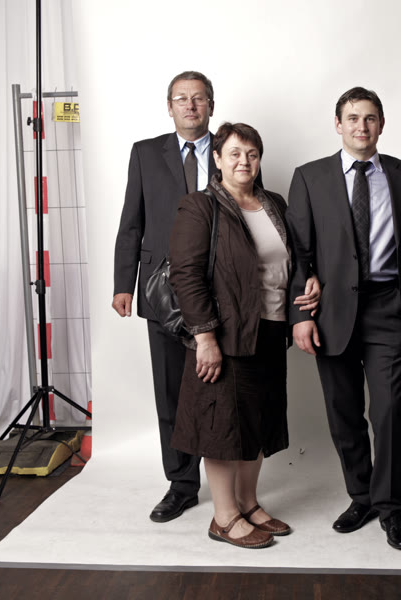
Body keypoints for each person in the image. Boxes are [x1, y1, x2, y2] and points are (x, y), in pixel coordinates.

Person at [168, 122, 317, 549]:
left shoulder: (274, 203)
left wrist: (310, 280)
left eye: (251, 154)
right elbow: (186, 276)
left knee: (258, 421)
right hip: (225, 334)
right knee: (222, 425)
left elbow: (293, 259)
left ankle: (249, 504)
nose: (243, 161)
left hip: (270, 328)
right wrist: (205, 339)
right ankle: (224, 516)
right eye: (234, 153)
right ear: (216, 158)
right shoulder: (200, 206)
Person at [287, 87, 401, 551]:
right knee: (343, 412)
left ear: (381, 124)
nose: (362, 126)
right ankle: (361, 496)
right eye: (353, 118)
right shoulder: (310, 177)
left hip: (388, 306)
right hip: (331, 311)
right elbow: (298, 252)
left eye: (370, 118)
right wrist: (299, 317)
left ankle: (391, 506)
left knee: (388, 411)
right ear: (338, 124)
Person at [112, 71, 217, 523]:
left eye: (198, 98)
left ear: (211, 105)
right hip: (160, 290)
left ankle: (230, 485)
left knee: (218, 390)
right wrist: (123, 283)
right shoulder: (145, 153)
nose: (190, 106)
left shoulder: (232, 149)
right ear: (169, 106)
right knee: (171, 392)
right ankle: (182, 484)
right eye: (181, 98)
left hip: (217, 289)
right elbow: (131, 222)